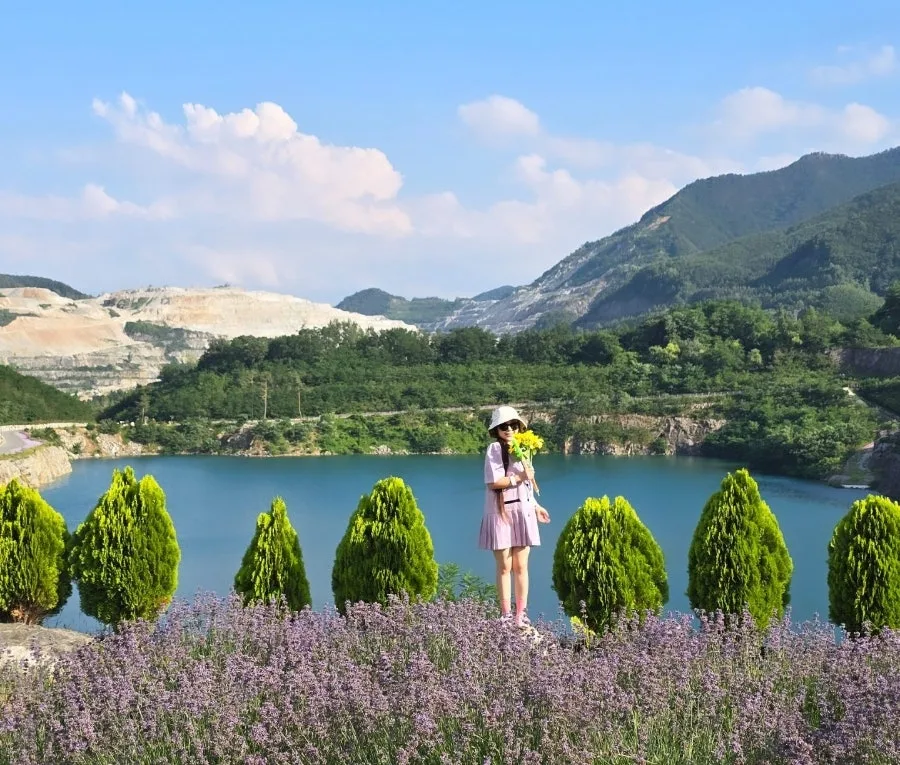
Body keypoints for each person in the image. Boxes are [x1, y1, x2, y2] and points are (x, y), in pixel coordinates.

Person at [478, 405, 550, 628]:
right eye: (504, 426)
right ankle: (506, 615)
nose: (509, 429)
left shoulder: (523, 448)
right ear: (497, 429)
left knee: (521, 566)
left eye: (513, 425)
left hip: (523, 512)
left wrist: (536, 506)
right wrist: (519, 477)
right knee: (504, 567)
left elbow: (526, 487)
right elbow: (493, 482)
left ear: (519, 427)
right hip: (501, 513)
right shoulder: (495, 449)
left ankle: (521, 614)